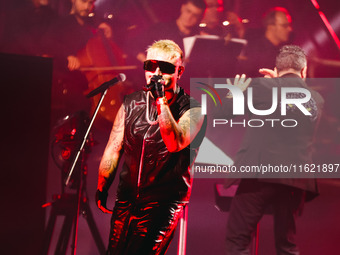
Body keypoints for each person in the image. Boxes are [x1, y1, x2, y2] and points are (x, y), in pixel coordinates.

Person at [95, 40, 206, 254]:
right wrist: (103, 184)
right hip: (127, 198)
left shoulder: (192, 109)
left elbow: (175, 143)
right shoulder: (130, 103)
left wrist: (161, 101)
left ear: (179, 71)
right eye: (150, 66)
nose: (156, 73)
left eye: (164, 68)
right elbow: (113, 147)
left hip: (162, 202)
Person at [222, 45, 323, 254]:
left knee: (237, 241)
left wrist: (238, 92)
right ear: (303, 72)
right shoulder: (316, 99)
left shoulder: (260, 88)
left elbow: (222, 114)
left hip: (260, 176)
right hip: (296, 180)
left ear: (277, 69)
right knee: (286, 245)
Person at [132, 0, 206, 63]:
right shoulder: (161, 29)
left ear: (200, 17)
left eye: (195, 15)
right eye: (188, 11)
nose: (189, 17)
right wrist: (146, 61)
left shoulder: (199, 38)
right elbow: (133, 45)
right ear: (182, 8)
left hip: (185, 78)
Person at [239, 7, 293, 77]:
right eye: (285, 25)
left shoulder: (282, 52)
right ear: (271, 27)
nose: (290, 29)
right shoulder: (254, 50)